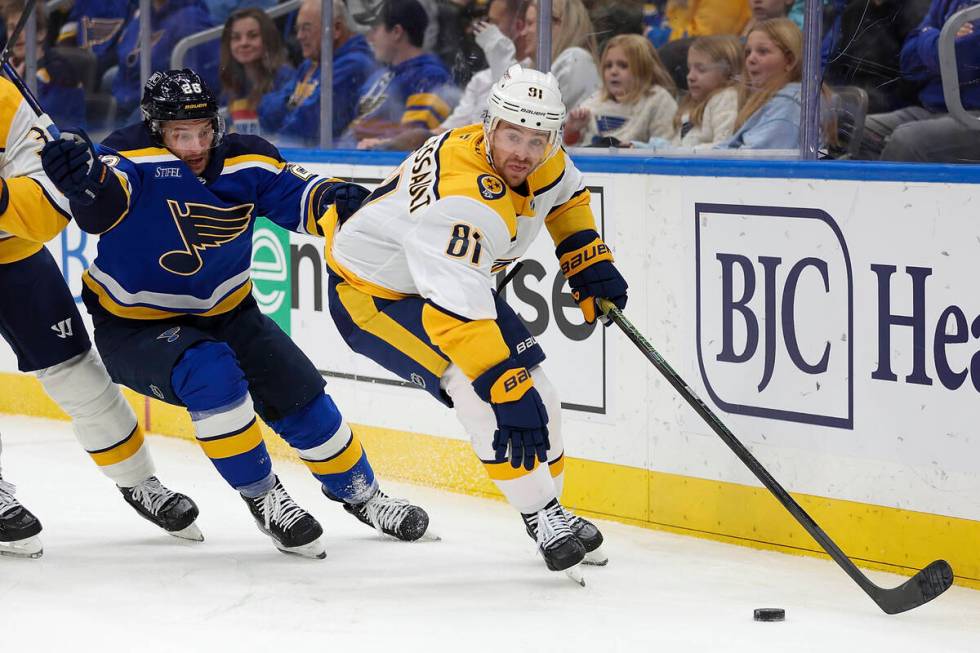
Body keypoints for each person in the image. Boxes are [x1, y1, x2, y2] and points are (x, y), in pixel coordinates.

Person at [39, 69, 430, 559]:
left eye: (204, 129)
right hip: (136, 326)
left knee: (299, 390)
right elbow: (102, 206)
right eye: (182, 133)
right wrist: (84, 180)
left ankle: (362, 494)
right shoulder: (129, 154)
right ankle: (265, 497)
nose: (196, 144)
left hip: (231, 312)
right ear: (156, 127)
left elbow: (301, 198)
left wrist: (337, 201)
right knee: (212, 374)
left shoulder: (247, 158)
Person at [324, 64, 627, 576]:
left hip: (455, 283)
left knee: (543, 395)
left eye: (537, 139)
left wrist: (585, 258)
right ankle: (542, 515)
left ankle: (550, 508)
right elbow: (456, 319)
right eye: (513, 136)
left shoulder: (543, 157)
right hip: (377, 296)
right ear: (489, 126)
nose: (523, 153)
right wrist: (502, 387)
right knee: (482, 392)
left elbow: (566, 195)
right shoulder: (463, 199)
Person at [0, 74, 201, 558]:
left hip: (14, 256)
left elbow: (51, 205)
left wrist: (6, 198)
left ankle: (140, 482)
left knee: (78, 373)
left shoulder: (5, 99)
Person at [858, 0, 980, 162]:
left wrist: (928, 34)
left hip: (972, 116)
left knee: (907, 141)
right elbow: (908, 62)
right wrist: (941, 38)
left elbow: (961, 60)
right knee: (860, 131)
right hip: (936, 110)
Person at [341, 0, 458, 148]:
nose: (369, 38)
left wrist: (364, 129)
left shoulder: (429, 76)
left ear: (397, 32)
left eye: (375, 29)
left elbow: (416, 135)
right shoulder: (383, 74)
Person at [258, 0, 376, 145]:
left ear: (336, 28)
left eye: (306, 28)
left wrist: (292, 107)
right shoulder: (311, 64)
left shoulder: (355, 64)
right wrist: (293, 102)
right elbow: (265, 115)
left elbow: (308, 126)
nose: (299, 36)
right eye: (298, 29)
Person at [112, 0, 219, 123]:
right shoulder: (144, 15)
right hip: (130, 96)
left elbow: (199, 83)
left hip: (161, 105)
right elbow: (125, 57)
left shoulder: (191, 19)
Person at [564, 33, 678, 146]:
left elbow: (666, 149)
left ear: (644, 70)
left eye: (623, 66)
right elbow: (569, 145)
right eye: (608, 66)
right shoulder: (596, 101)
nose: (613, 72)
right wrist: (572, 130)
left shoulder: (659, 101)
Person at [636, 34, 742, 148]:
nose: (690, 77)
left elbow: (724, 146)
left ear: (728, 71)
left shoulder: (727, 97)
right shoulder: (692, 104)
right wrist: (638, 148)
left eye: (701, 69)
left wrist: (685, 152)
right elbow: (675, 148)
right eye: (689, 69)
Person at [720, 17, 803, 149]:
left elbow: (756, 160)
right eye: (748, 52)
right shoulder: (775, 100)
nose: (750, 59)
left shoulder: (789, 103)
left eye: (763, 51)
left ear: (790, 61)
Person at [4, 0, 86, 128]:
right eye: (11, 28)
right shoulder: (8, 68)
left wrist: (14, 88)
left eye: (22, 28)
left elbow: (44, 121)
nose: (17, 35)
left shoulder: (59, 70)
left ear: (41, 33)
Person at [219, 7, 294, 136]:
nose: (244, 43)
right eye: (236, 38)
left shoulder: (285, 78)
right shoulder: (232, 81)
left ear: (268, 39)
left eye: (253, 36)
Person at [515, 0, 600, 112]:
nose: (523, 33)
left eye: (529, 23)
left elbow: (537, 117)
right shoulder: (532, 67)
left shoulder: (575, 60)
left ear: (552, 25)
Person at [55, 0, 134, 79]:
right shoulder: (84, 4)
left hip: (110, 64)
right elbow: (72, 25)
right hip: (83, 59)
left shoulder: (130, 5)